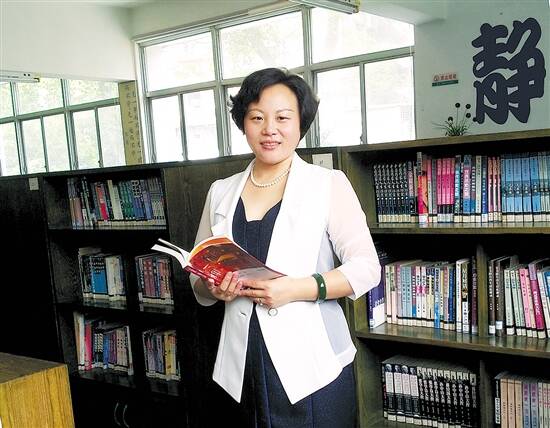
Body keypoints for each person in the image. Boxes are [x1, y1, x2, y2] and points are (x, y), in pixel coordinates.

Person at [190, 67, 381, 427]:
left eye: (282, 117)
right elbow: (198, 275)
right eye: (257, 118)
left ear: (300, 123)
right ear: (243, 123)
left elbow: (366, 269)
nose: (269, 129)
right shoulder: (221, 191)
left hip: (313, 367)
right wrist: (213, 288)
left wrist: (296, 289)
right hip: (241, 367)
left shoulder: (328, 184)